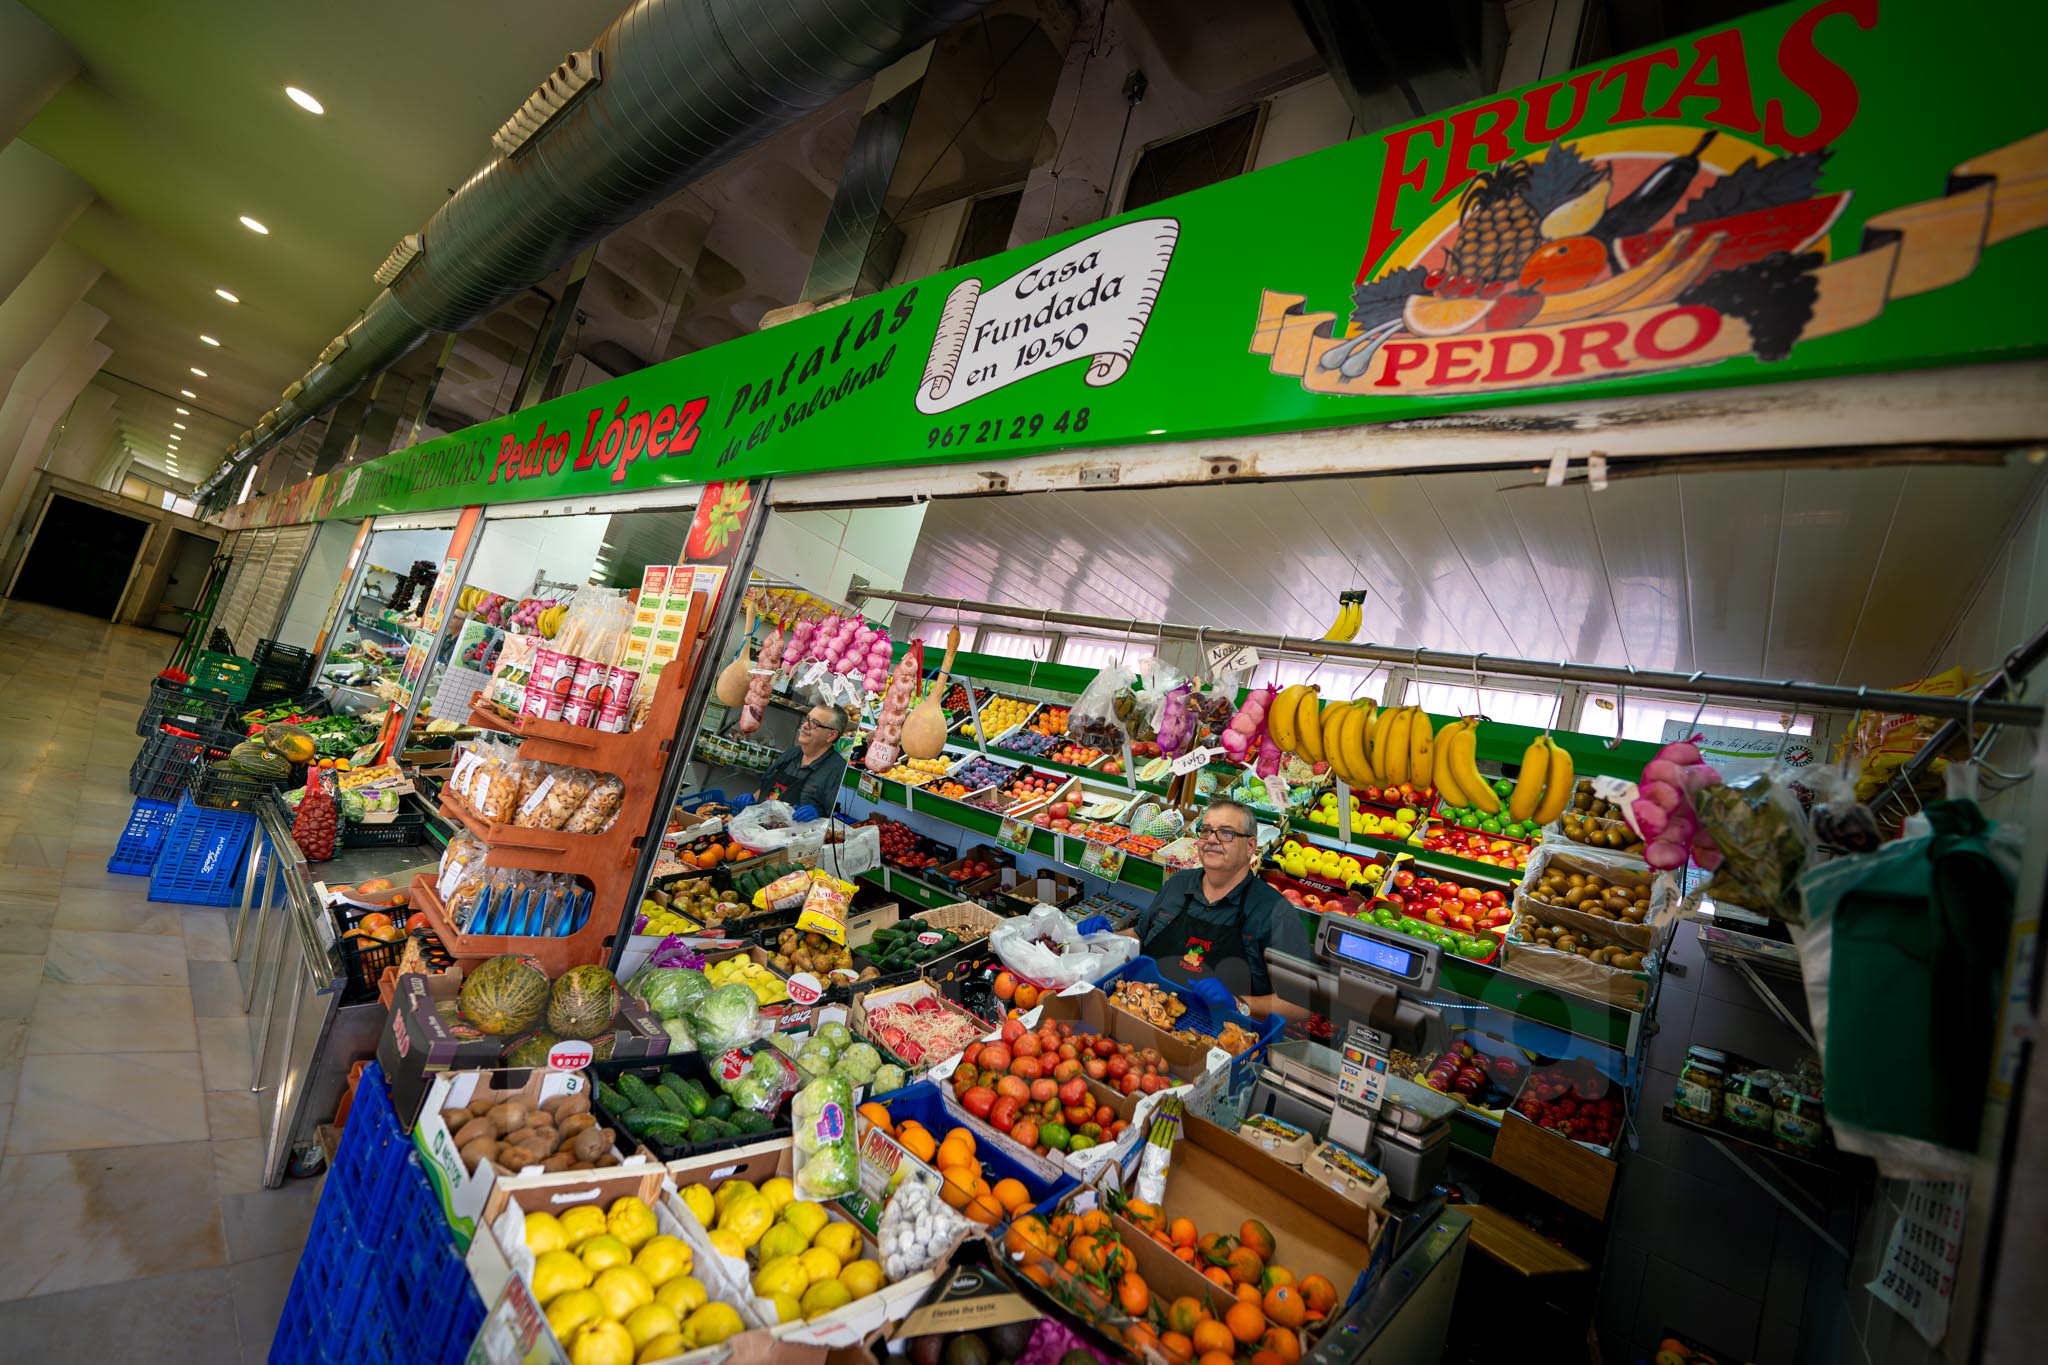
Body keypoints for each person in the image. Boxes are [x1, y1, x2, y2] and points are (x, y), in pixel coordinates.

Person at [1079, 797, 1311, 1023]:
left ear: (1251, 846)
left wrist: (1238, 1002)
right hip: (1146, 1014)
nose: (1212, 839)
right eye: (1206, 830)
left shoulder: (1274, 911)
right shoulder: (1178, 885)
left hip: (1224, 1039)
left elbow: (1300, 1004)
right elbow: (1140, 937)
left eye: (1226, 833)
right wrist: (1106, 937)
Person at [730, 704, 850, 821]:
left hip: (797, 837)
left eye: (814, 723)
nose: (804, 726)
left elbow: (836, 824)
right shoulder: (791, 754)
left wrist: (818, 816)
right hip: (761, 830)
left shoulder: (838, 772)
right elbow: (766, 787)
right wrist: (752, 799)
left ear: (831, 735)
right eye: (807, 719)